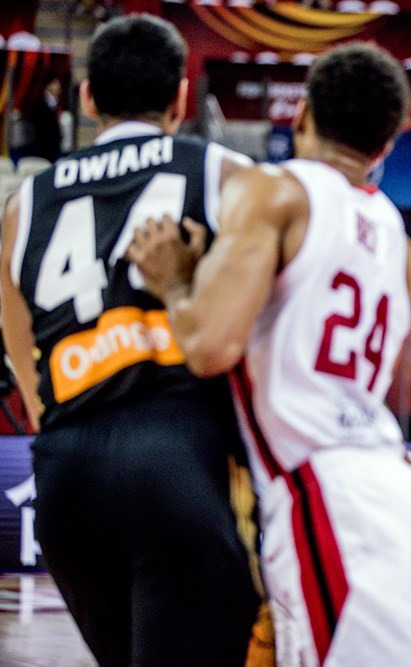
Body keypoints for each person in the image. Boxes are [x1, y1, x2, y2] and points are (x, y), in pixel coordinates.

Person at [127, 43, 411, 667]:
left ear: (301, 114)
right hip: (397, 491)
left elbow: (209, 347)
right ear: (385, 147)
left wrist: (174, 281)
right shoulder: (399, 242)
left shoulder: (276, 191)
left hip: (329, 498)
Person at [0, 15, 260, 666]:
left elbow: (23, 352)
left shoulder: (24, 205)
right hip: (181, 453)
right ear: (180, 97)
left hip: (67, 470)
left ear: (87, 98)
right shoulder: (225, 173)